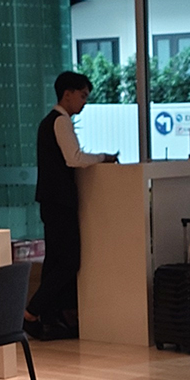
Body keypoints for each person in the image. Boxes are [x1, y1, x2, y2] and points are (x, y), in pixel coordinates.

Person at [27, 70, 116, 339]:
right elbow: (74, 158)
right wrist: (103, 157)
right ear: (67, 94)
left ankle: (48, 317)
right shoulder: (60, 122)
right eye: (82, 96)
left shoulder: (49, 122)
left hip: (51, 201)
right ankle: (32, 312)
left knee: (55, 261)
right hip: (60, 202)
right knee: (68, 262)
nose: (84, 102)